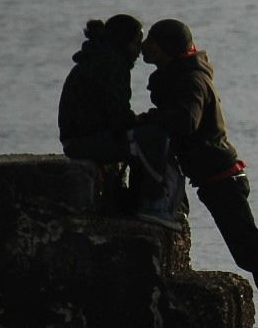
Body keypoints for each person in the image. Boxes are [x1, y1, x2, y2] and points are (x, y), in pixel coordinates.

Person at [138, 18, 258, 328]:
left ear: (167, 49)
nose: (144, 46)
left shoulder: (190, 80)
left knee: (251, 248)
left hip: (222, 177)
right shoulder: (182, 76)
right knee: (248, 248)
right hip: (214, 178)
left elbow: (186, 121)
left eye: (152, 41)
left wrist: (151, 122)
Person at [56, 14, 181, 228]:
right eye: (136, 41)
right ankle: (153, 206)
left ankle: (141, 202)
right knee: (152, 138)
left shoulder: (104, 59)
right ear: (124, 41)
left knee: (146, 136)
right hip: (83, 142)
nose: (140, 48)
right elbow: (117, 117)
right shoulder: (111, 65)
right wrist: (140, 122)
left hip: (81, 137)